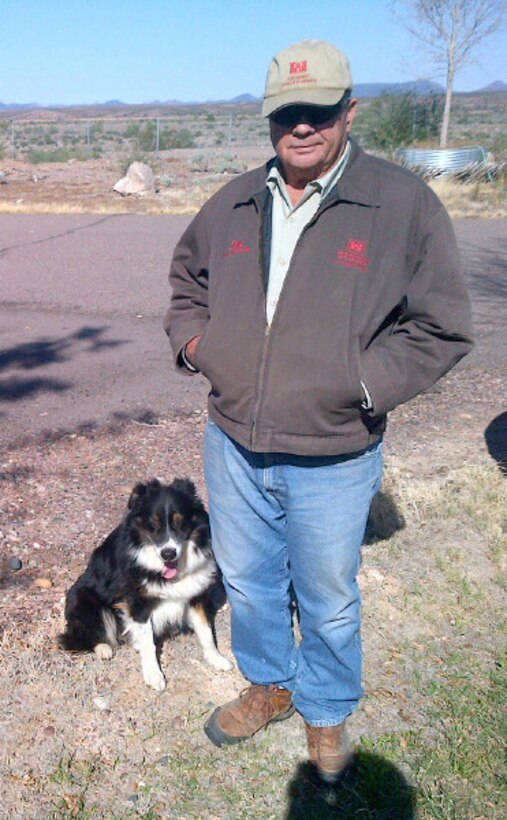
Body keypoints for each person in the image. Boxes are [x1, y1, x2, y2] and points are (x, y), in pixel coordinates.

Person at [164, 39, 473, 783]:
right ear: (270, 120)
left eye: (319, 111)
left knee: (327, 592)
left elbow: (441, 326)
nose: (302, 127)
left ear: (348, 111)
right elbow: (185, 281)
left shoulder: (400, 204)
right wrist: (199, 345)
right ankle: (269, 684)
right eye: (286, 114)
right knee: (248, 580)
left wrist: (360, 385)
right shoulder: (234, 199)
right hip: (234, 442)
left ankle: (327, 706)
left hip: (335, 449)